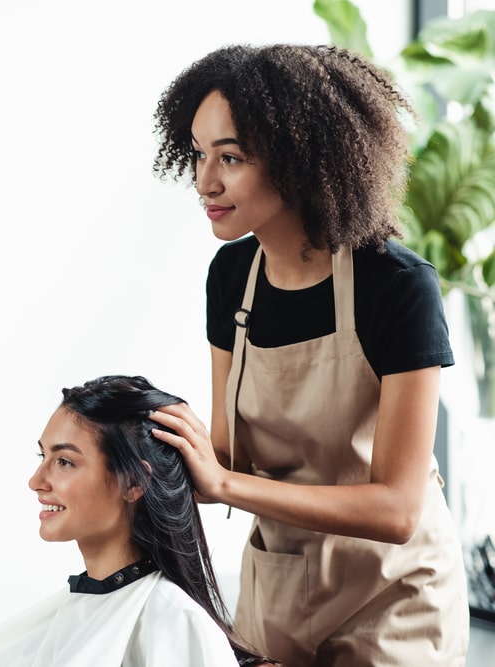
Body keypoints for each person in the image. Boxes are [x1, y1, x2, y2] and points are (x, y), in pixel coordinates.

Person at [149, 43, 470, 666]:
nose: (205, 181)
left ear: (299, 160)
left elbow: (398, 508)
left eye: (231, 157)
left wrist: (226, 483)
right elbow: (226, 453)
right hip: (278, 588)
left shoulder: (395, 285)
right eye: (198, 153)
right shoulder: (231, 277)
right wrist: (138, 446)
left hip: (395, 598)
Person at [0, 375, 272, 666]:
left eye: (64, 462)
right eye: (42, 455)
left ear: (134, 482)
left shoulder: (173, 620)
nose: (36, 481)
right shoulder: (78, 607)